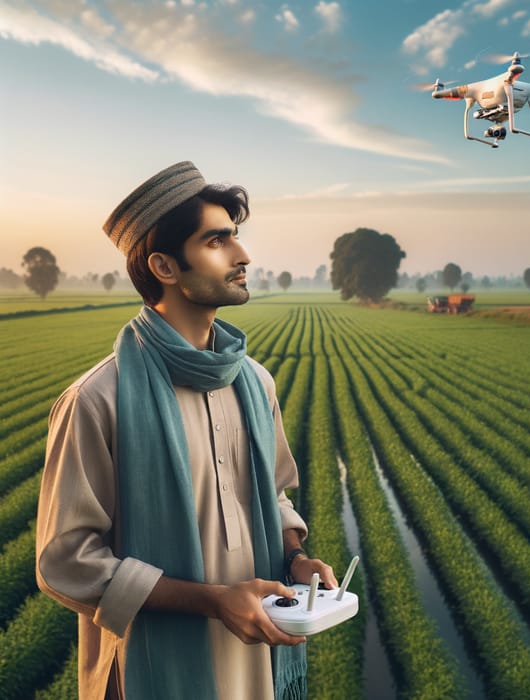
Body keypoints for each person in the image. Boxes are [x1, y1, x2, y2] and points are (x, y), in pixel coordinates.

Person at [35, 161, 337, 700]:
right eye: (217, 241)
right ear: (165, 267)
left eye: (236, 238)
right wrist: (211, 600)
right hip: (153, 666)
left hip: (255, 656)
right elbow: (66, 561)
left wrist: (295, 560)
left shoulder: (256, 382)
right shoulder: (97, 400)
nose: (243, 256)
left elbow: (274, 493)